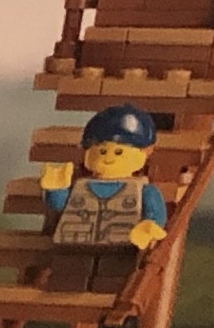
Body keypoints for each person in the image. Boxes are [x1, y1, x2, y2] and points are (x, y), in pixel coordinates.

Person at [40, 104, 171, 250]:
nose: (108, 157)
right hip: (75, 246)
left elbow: (155, 211)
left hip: (123, 249)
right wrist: (56, 189)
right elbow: (59, 205)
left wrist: (150, 225)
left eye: (119, 152)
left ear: (146, 152)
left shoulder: (144, 190)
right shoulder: (81, 186)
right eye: (102, 151)